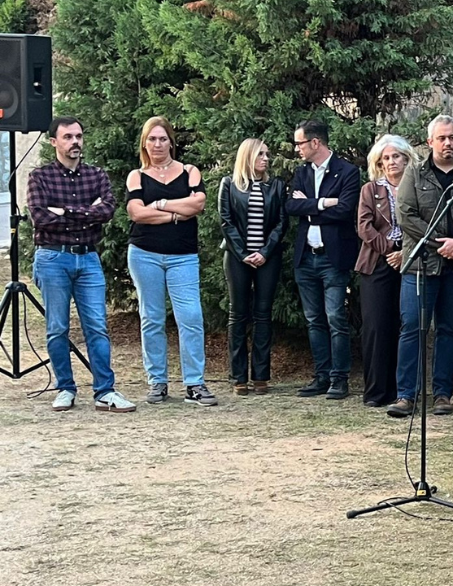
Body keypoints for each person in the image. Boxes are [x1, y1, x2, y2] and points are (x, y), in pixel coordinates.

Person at [27, 117, 134, 413]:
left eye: (79, 136)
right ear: (54, 142)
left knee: (97, 326)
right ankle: (65, 388)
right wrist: (88, 211)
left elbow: (108, 210)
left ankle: (105, 391)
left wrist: (65, 211)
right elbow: (40, 217)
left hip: (88, 258)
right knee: (57, 327)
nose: (75, 142)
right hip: (52, 258)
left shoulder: (96, 175)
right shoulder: (40, 177)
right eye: (68, 137)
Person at [392, 115, 453, 417]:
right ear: (430, 142)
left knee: (448, 330)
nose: (448, 143)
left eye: (452, 138)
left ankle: (443, 394)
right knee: (413, 329)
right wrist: (442, 244)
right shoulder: (414, 174)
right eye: (442, 138)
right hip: (421, 265)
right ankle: (406, 395)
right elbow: (406, 216)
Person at [126, 116, 215, 406]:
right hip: (144, 254)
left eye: (163, 138)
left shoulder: (189, 171)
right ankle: (157, 382)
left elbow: (198, 204)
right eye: (152, 139)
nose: (157, 144)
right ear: (144, 143)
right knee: (151, 318)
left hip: (183, 257)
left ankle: (194, 383)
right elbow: (137, 213)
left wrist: (161, 205)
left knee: (190, 317)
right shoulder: (136, 176)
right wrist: (178, 214)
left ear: (171, 142)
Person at [286, 120, 362, 400]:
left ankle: (339, 379)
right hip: (306, 257)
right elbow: (291, 206)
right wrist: (323, 202)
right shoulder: (301, 172)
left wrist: (310, 205)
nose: (297, 149)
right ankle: (321, 376)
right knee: (314, 319)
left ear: (315, 143)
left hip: (333, 258)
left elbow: (344, 211)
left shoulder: (347, 172)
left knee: (335, 317)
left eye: (300, 143)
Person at [219, 138, 288, 395]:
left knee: (263, 315)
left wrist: (265, 252)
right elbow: (226, 223)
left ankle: (261, 376)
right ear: (247, 157)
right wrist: (244, 253)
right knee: (237, 315)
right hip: (237, 259)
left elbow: (281, 223)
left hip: (267, 258)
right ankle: (238, 377)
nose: (266, 159)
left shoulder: (276, 185)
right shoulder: (229, 185)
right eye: (260, 154)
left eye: (267, 154)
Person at [355, 134, 416, 407]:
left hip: (410, 260)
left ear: (406, 158)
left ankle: (400, 392)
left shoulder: (416, 187)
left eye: (396, 156)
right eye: (386, 158)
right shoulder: (370, 189)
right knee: (377, 326)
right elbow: (364, 226)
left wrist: (405, 252)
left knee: (404, 326)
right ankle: (376, 391)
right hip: (376, 263)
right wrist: (390, 249)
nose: (391, 162)